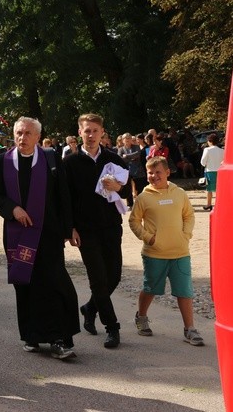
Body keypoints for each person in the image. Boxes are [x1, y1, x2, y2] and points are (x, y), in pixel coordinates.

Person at [0, 117, 80, 359]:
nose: (22, 137)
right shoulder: (2, 162)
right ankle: (32, 335)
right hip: (18, 235)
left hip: (48, 235)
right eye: (19, 133)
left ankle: (59, 339)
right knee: (25, 284)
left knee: (53, 284)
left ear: (38, 137)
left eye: (28, 133)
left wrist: (69, 228)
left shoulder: (50, 159)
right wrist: (13, 209)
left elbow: (64, 196)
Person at [63, 113, 131, 349]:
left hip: (111, 227)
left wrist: (119, 187)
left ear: (102, 133)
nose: (90, 135)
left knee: (113, 276)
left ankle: (90, 308)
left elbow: (127, 195)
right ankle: (112, 327)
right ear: (79, 133)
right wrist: (69, 228)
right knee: (98, 280)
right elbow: (65, 199)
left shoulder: (114, 160)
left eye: (95, 130)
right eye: (86, 130)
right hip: (85, 230)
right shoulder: (70, 163)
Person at [128, 157, 203, 346]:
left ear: (168, 172)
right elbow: (134, 221)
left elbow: (189, 215)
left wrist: (186, 233)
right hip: (155, 254)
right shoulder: (144, 197)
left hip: (180, 252)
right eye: (150, 173)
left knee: (184, 291)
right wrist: (148, 237)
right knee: (150, 288)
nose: (153, 176)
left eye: (158, 172)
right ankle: (142, 316)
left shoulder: (179, 193)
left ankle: (190, 329)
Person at [200, 133, 224, 211]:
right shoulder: (222, 151)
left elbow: (203, 162)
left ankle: (209, 204)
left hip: (210, 171)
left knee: (209, 189)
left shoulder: (207, 150)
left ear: (209, 141)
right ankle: (219, 204)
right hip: (220, 171)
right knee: (219, 189)